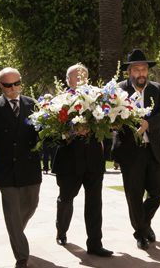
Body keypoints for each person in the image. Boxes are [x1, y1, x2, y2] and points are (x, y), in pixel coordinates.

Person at [0, 67, 41, 268]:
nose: (13, 88)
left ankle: (15, 232)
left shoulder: (32, 104)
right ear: (0, 85)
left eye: (17, 83)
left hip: (30, 167)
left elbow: (41, 134)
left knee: (31, 205)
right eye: (8, 85)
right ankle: (22, 256)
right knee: (12, 213)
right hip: (6, 170)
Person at [52, 64, 113, 257]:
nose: (80, 79)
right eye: (76, 77)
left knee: (95, 202)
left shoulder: (97, 98)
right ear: (68, 80)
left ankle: (95, 244)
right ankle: (61, 230)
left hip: (93, 159)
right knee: (66, 198)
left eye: (83, 76)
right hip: (69, 161)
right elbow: (54, 130)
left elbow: (107, 121)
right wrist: (73, 130)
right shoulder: (60, 100)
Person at [111, 49, 160, 251]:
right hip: (130, 152)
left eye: (144, 69)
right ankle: (141, 233)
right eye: (137, 69)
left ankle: (143, 223)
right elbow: (111, 117)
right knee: (134, 195)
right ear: (129, 72)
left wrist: (148, 124)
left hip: (153, 149)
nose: (141, 73)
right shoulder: (118, 90)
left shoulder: (157, 89)